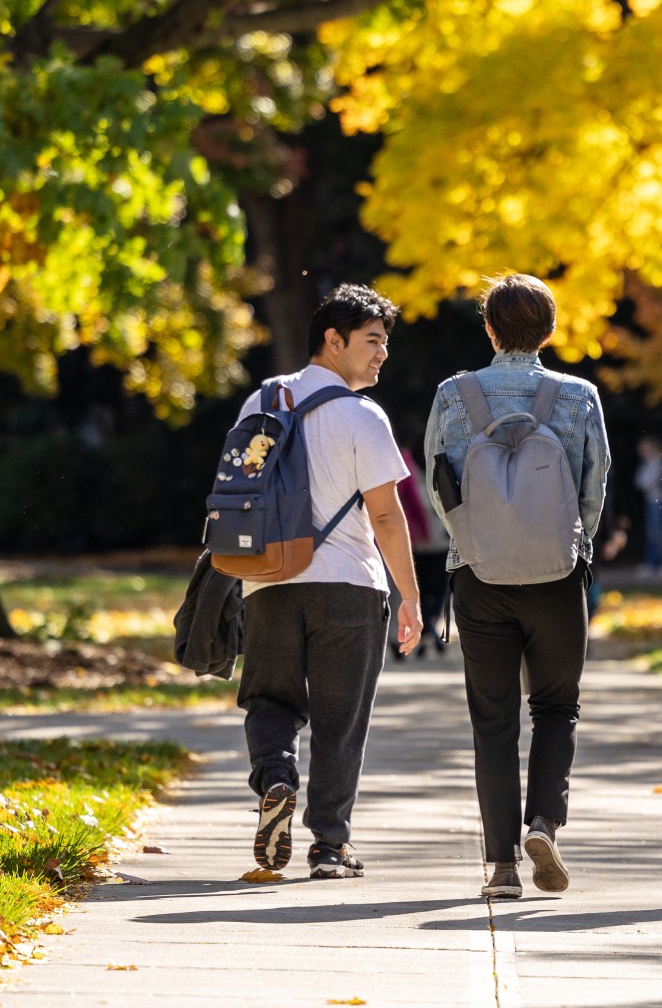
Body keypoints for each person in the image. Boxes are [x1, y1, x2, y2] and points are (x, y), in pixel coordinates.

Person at [425, 273, 610, 900]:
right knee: (556, 707)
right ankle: (544, 824)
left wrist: (471, 543)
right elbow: (593, 487)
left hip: (479, 577)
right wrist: (572, 543)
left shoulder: (454, 395)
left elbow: (437, 481)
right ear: (551, 331)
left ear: (489, 329)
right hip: (558, 577)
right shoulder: (578, 395)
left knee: (493, 719)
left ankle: (501, 865)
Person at [235, 285, 423, 881]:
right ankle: (330, 846)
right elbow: (387, 516)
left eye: (385, 344)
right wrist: (410, 596)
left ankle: (276, 777)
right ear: (332, 341)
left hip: (266, 581)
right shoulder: (362, 416)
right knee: (342, 719)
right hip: (348, 585)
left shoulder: (259, 404)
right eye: (371, 342)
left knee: (269, 700)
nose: (381, 355)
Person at [395, 442, 451, 656]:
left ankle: (429, 628)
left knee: (438, 592)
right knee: (425, 590)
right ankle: (428, 629)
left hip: (439, 544)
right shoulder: (407, 476)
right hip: (418, 546)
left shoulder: (439, 469)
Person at [636, 437, 662, 573]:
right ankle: (652, 563)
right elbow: (639, 481)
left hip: (661, 501)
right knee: (652, 533)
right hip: (650, 501)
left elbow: (654, 481)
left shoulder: (660, 463)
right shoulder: (646, 463)